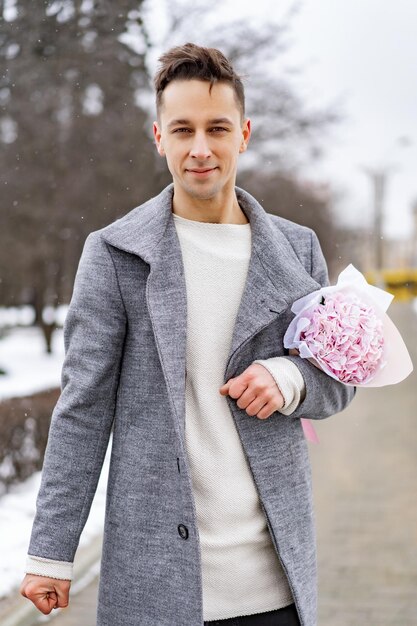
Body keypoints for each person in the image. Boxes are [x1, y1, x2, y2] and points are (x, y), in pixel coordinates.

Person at [20, 43, 355, 626]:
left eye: (217, 128)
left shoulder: (297, 249)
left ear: (244, 134)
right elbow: (83, 408)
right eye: (183, 130)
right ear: (159, 138)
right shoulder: (115, 253)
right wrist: (52, 551)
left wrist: (290, 378)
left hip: (273, 584)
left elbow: (339, 383)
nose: (200, 148)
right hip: (155, 584)